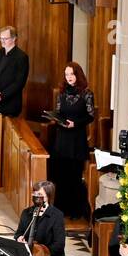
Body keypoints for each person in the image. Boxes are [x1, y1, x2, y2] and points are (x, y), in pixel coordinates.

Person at [49, 62, 96, 219]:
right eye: (67, 74)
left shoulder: (87, 94)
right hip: (62, 138)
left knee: (75, 176)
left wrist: (75, 123)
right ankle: (61, 210)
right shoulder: (61, 93)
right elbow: (59, 112)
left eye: (72, 74)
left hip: (77, 139)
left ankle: (75, 211)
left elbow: (90, 116)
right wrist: (57, 119)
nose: (69, 77)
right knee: (61, 176)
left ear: (78, 75)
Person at [0, 26, 29, 117]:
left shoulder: (21, 57)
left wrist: (1, 96)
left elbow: (19, 83)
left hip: (10, 105)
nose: (2, 41)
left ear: (14, 39)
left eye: (5, 38)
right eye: (1, 38)